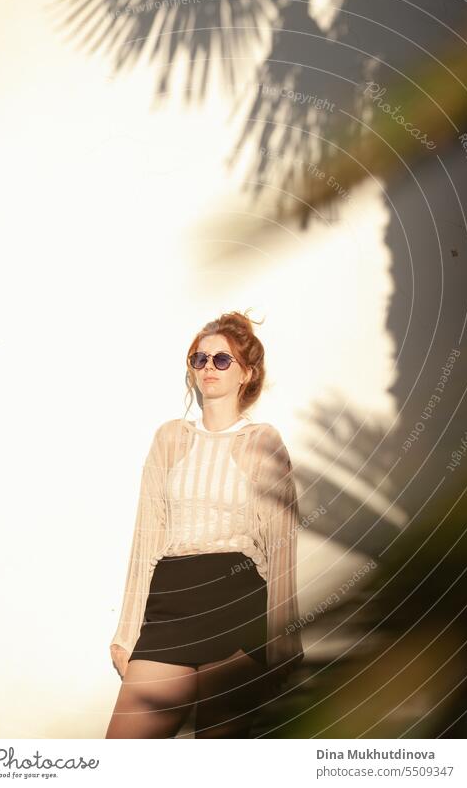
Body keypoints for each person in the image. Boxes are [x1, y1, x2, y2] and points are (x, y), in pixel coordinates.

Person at [105, 310, 304, 738]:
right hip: (170, 602)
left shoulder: (262, 441)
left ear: (246, 373)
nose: (208, 367)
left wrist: (284, 643)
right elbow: (147, 537)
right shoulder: (170, 438)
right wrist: (127, 632)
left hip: (236, 601)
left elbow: (281, 546)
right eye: (199, 359)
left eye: (221, 360)